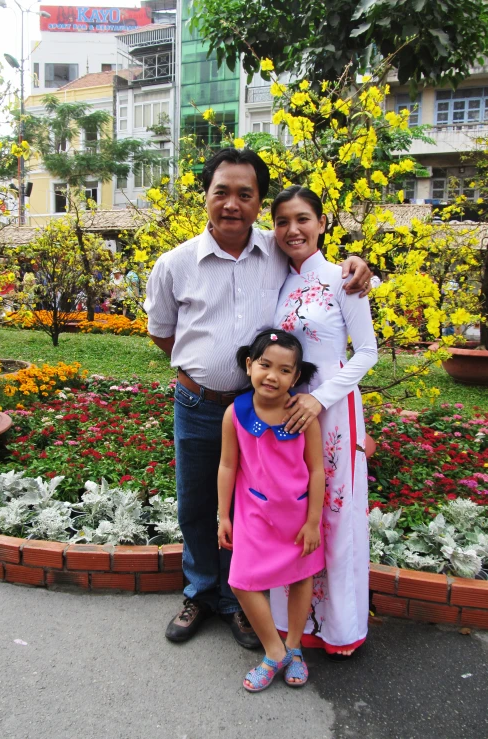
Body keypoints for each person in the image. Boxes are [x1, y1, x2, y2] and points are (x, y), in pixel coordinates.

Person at [144, 148, 372, 648]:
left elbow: (318, 256)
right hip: (199, 402)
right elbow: (162, 333)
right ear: (204, 195)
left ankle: (239, 600)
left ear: (257, 202)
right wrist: (200, 367)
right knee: (198, 503)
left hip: (259, 408)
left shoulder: (276, 250)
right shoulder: (175, 263)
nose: (231, 204)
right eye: (221, 191)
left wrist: (357, 263)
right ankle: (201, 592)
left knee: (252, 506)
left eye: (245, 194)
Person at [269, 185, 378, 659]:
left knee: (335, 512)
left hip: (332, 413)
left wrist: (321, 399)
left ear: (321, 224)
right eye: (282, 221)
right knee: (292, 509)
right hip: (288, 412)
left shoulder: (342, 279)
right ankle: (287, 622)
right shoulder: (278, 279)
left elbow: (367, 353)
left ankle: (337, 627)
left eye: (303, 219)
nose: (293, 230)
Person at [218, 329, 325, 692]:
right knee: (241, 581)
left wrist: (313, 522)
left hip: (297, 518)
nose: (272, 376)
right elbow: (228, 466)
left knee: (299, 577)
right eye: (265, 365)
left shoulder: (303, 415)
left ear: (295, 377)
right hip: (254, 516)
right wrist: (223, 514)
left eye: (284, 370)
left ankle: (294, 647)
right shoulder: (235, 414)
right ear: (249, 365)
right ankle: (274, 650)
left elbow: (316, 470)